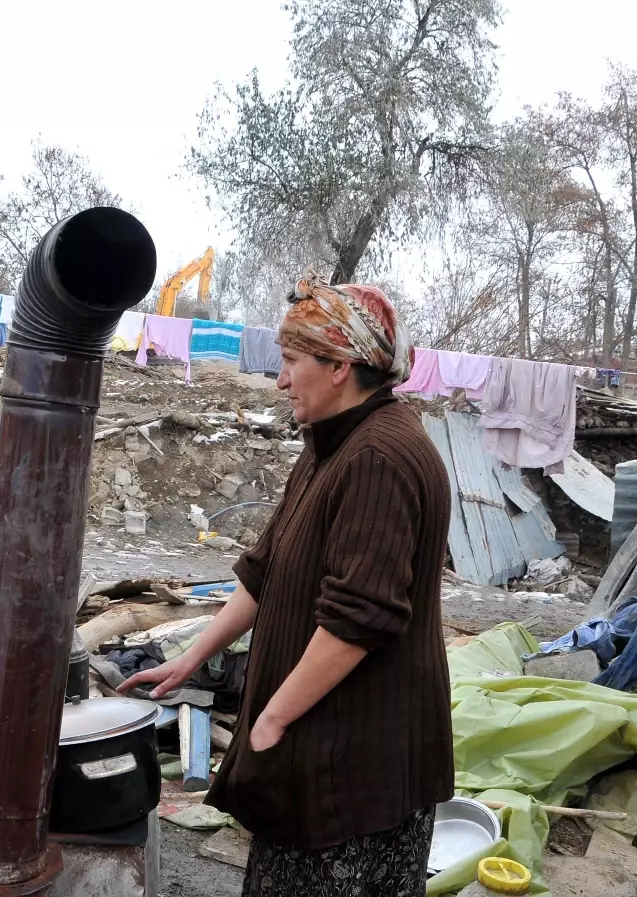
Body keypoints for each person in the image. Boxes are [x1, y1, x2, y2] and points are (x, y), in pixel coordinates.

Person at [119, 270, 454, 897]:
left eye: (292, 361)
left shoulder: (378, 458)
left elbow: (359, 620)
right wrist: (191, 657)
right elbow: (265, 570)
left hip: (358, 763)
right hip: (319, 741)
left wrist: (269, 722)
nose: (278, 379)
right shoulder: (331, 444)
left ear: (339, 365)